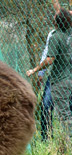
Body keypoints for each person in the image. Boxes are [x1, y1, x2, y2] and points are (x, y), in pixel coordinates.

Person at [27, 9, 72, 141]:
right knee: (47, 105)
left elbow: (49, 59)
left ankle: (68, 141)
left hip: (63, 79)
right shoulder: (53, 35)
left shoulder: (64, 35)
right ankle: (46, 138)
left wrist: (34, 70)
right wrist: (41, 72)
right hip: (58, 78)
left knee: (65, 113)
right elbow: (46, 54)